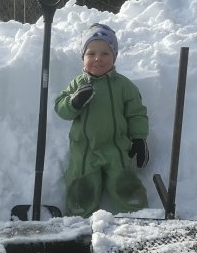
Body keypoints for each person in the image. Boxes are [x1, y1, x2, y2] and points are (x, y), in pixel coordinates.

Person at [54, 23, 150, 218]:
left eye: (105, 53)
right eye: (91, 53)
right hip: (84, 150)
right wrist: (74, 102)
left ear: (114, 57)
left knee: (124, 181)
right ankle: (78, 220)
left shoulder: (123, 85)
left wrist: (139, 139)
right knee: (81, 185)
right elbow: (60, 107)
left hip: (116, 147)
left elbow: (136, 113)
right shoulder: (78, 84)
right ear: (83, 58)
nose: (98, 58)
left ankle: (138, 218)